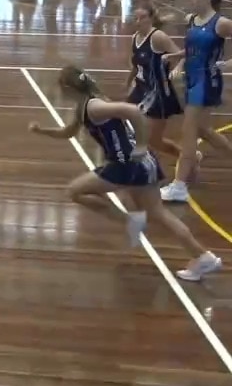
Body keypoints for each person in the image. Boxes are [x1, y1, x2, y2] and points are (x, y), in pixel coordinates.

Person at [30, 64, 221, 281]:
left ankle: (129, 221)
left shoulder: (95, 106)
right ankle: (203, 256)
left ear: (67, 87)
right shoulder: (85, 106)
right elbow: (68, 132)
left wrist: (140, 144)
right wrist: (41, 131)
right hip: (141, 163)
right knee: (159, 214)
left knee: (75, 191)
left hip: (126, 165)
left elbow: (133, 111)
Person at [160, 0, 232, 203]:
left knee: (188, 132)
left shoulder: (221, 23)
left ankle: (179, 185)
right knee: (203, 130)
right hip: (191, 78)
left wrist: (228, 64)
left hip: (206, 81)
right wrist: (179, 62)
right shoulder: (192, 20)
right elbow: (190, 50)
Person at [126, 3, 187, 168]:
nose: (138, 21)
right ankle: (135, 166)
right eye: (135, 18)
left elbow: (183, 54)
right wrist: (128, 83)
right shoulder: (135, 38)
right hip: (140, 89)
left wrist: (177, 68)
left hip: (158, 93)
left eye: (142, 18)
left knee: (155, 141)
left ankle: (188, 158)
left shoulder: (158, 37)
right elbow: (135, 65)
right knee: (125, 124)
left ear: (151, 18)